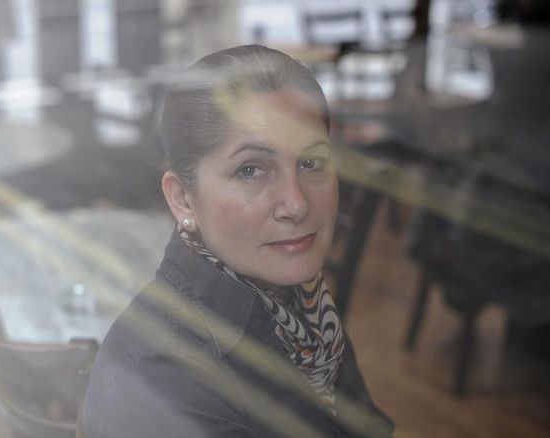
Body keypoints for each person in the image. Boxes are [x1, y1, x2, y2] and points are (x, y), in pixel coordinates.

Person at [80, 45, 393, 437]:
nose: (296, 203)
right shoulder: (170, 382)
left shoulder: (302, 306)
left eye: (311, 163)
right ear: (182, 198)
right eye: (250, 170)